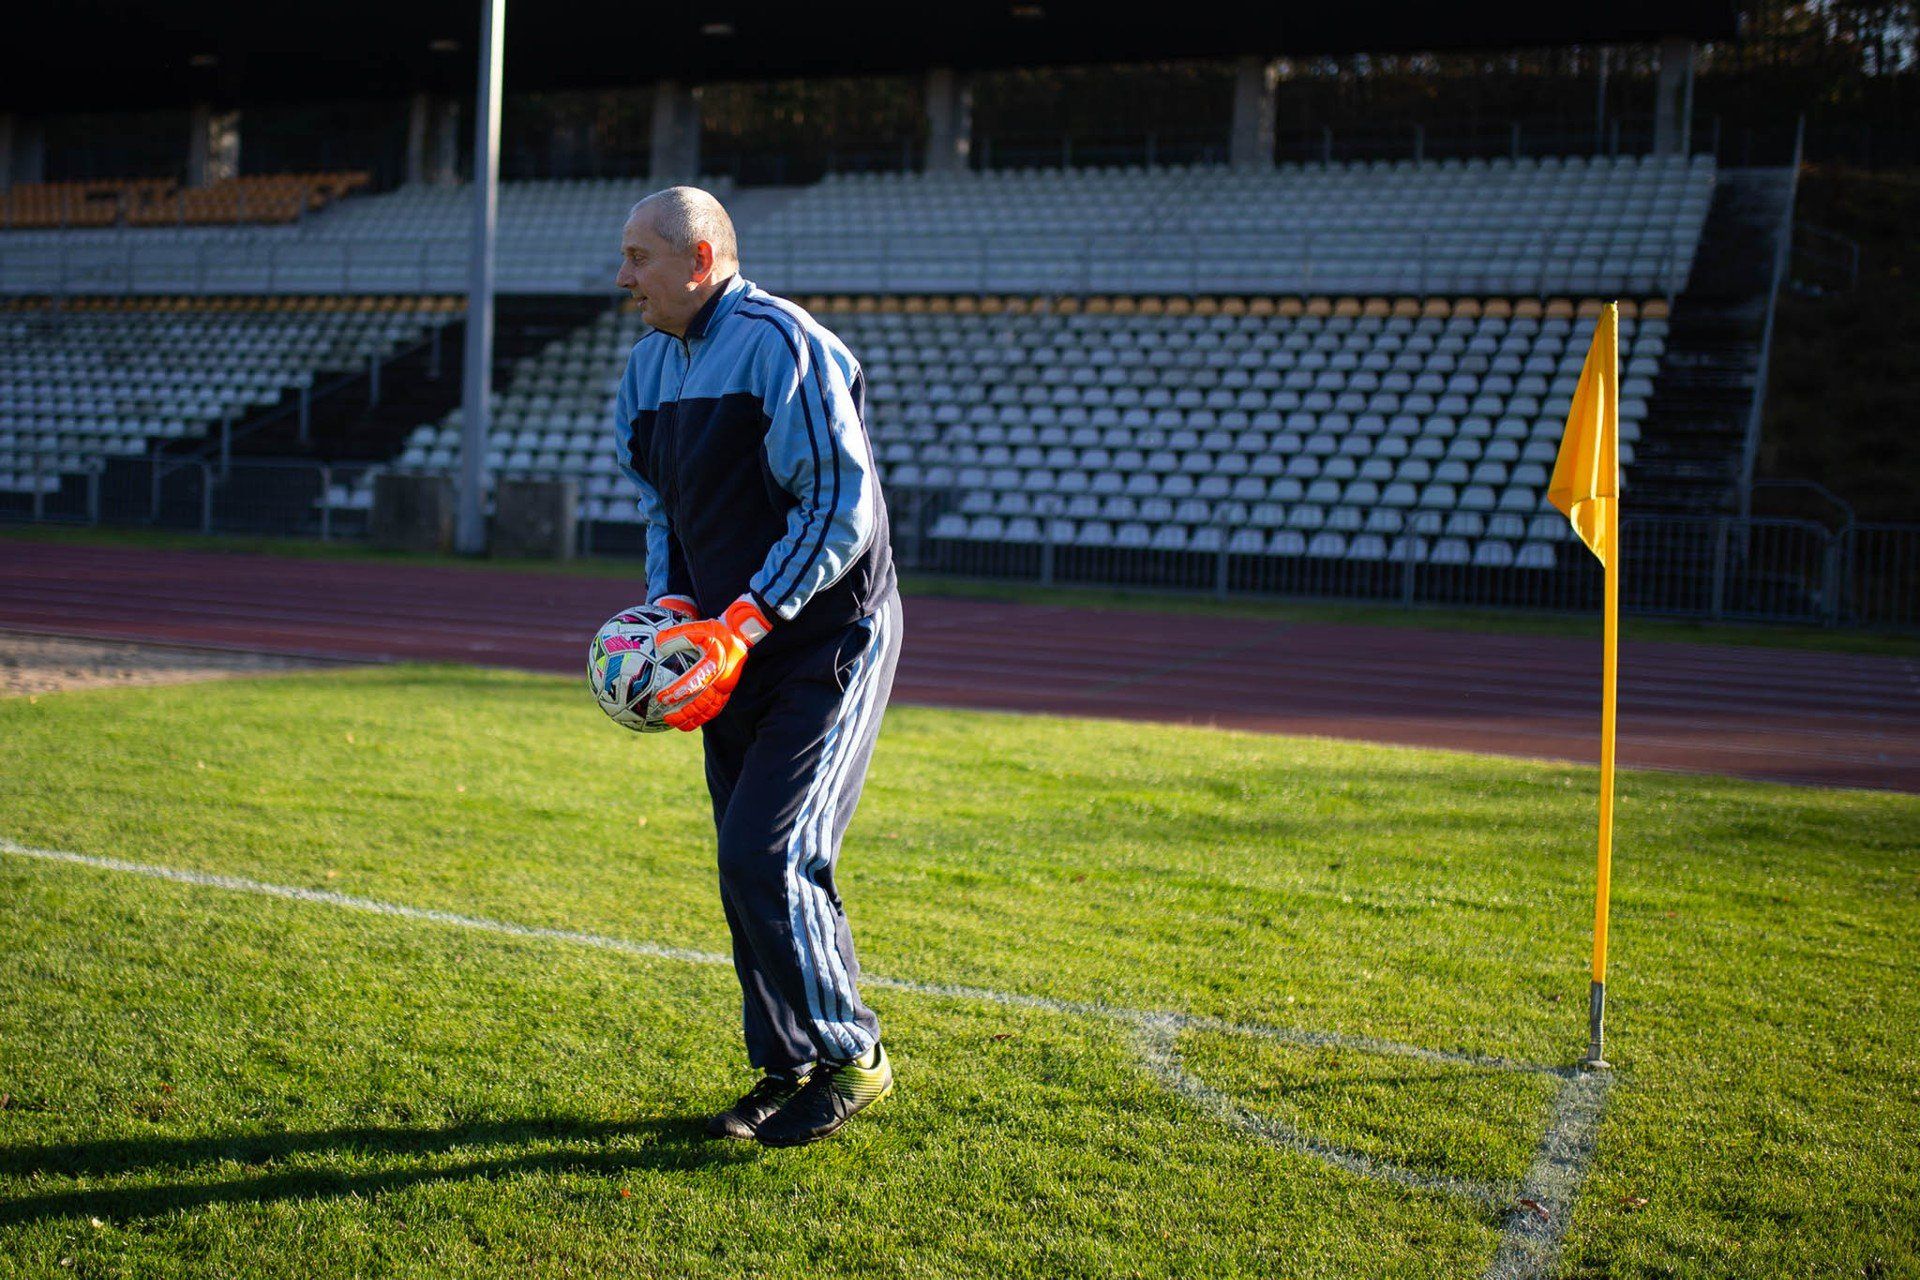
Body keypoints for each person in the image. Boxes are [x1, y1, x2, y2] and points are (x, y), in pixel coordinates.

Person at [611, 186, 902, 1148]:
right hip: (727, 649)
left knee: (768, 852)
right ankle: (785, 1068)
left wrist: (743, 619)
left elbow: (840, 507)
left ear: (699, 260)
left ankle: (853, 1056)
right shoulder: (646, 368)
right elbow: (663, 510)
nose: (624, 278)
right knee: (742, 862)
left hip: (827, 638)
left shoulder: (784, 344)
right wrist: (673, 611)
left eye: (640, 258)